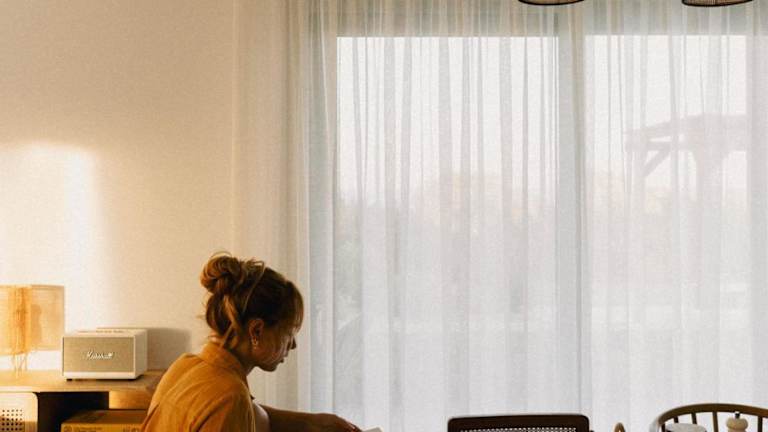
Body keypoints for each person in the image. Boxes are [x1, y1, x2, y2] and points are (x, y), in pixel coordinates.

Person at [142, 252, 361, 432]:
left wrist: (315, 423)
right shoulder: (230, 397)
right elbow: (233, 407)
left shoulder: (186, 366)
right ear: (256, 331)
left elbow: (256, 414)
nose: (293, 345)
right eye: (289, 333)